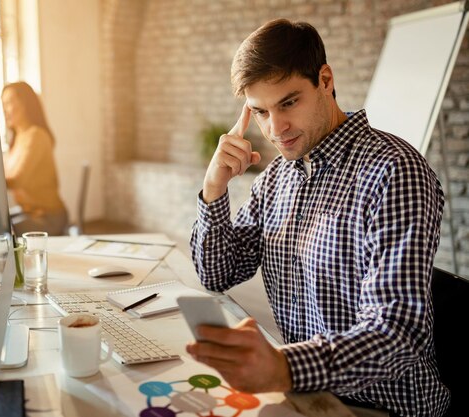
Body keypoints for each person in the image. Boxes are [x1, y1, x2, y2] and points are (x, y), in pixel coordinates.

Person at [188, 18, 449, 417]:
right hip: (307, 394)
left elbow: (397, 334)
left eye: (288, 102)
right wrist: (214, 189)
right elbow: (217, 273)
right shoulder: (276, 178)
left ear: (325, 80)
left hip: (382, 407)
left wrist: (283, 367)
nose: (276, 129)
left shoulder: (394, 171)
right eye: (260, 112)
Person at [1, 81, 68, 236]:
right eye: (3, 104)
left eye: (9, 102)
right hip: (30, 212)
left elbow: (17, 180)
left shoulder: (36, 136)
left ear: (26, 104)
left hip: (49, 217)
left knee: (1, 232)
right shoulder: (18, 138)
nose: (5, 110)